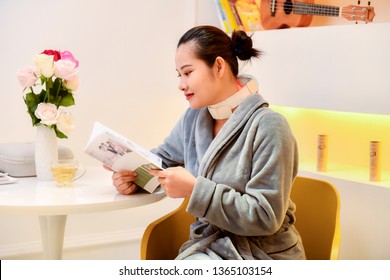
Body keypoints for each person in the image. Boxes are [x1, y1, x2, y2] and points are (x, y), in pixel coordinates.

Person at [107, 25, 306, 260]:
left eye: (188, 72)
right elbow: (162, 160)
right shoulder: (195, 118)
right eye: (179, 75)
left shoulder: (269, 126)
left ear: (219, 66)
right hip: (209, 249)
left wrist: (195, 190)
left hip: (263, 254)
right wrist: (133, 176)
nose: (181, 84)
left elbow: (265, 216)